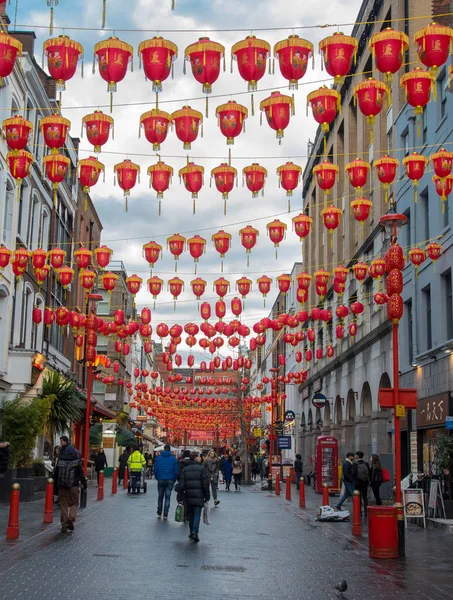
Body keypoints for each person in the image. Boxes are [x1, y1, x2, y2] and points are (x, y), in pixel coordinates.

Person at [55, 436, 87, 532]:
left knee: (63, 506)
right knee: (74, 503)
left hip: (62, 486)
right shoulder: (76, 462)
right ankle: (71, 518)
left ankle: (64, 525)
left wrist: (55, 486)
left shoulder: (60, 461)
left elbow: (56, 474)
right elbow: (81, 475)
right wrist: (84, 485)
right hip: (73, 485)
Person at [178, 451, 210, 543]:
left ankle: (192, 531)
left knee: (191, 514)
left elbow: (181, 484)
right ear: (196, 458)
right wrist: (207, 496)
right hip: (199, 495)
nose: (201, 458)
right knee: (197, 514)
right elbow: (205, 484)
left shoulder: (185, 469)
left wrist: (179, 494)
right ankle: (194, 532)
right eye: (199, 457)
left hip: (188, 495)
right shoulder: (202, 469)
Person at [153, 443, 178, 519]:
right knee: (168, 496)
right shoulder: (174, 459)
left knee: (160, 496)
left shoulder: (158, 458)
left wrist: (158, 477)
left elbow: (155, 469)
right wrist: (173, 479)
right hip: (170, 479)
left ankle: (159, 512)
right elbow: (176, 471)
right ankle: (166, 513)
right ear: (170, 450)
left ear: (164, 449)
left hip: (160, 479)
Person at [354, 450, 370, 515]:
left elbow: (353, 473)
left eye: (356, 455)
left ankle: (359, 511)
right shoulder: (366, 463)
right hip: (365, 482)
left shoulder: (355, 464)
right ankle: (366, 511)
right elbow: (369, 472)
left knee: (358, 497)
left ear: (357, 456)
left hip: (358, 482)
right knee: (365, 497)